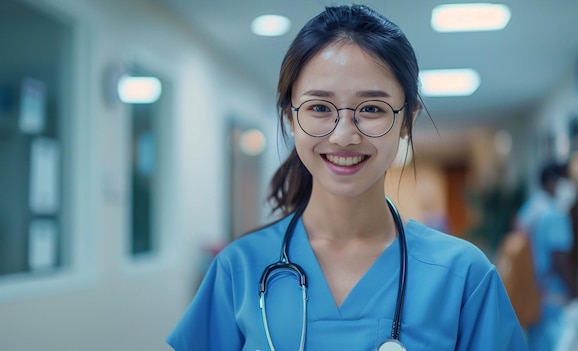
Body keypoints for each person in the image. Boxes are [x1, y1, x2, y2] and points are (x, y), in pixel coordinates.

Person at [167, 4, 527, 350]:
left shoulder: (463, 276)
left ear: (407, 120)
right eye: (319, 108)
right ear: (291, 118)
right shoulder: (239, 269)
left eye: (371, 108)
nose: (344, 135)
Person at [516, 162, 578, 351]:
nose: (570, 185)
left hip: (536, 298)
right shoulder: (555, 215)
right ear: (552, 182)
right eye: (566, 178)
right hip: (555, 300)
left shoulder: (531, 210)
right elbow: (560, 260)